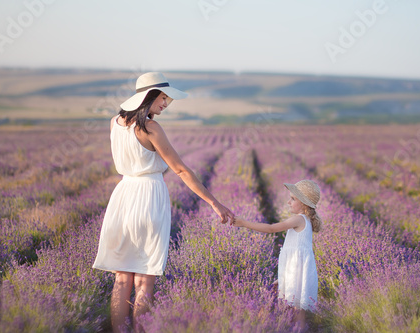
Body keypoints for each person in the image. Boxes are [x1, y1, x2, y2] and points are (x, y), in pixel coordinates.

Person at [92, 72, 234, 332]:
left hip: (122, 197)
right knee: (144, 281)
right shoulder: (150, 127)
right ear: (148, 96)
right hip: (149, 197)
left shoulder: (115, 122)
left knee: (121, 279)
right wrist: (214, 203)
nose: (166, 104)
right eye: (163, 97)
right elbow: (180, 170)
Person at [234, 180, 322, 327]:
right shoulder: (305, 220)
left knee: (291, 305)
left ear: (304, 204)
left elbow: (271, 228)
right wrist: (282, 279)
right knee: (297, 308)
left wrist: (244, 223)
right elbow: (296, 258)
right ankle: (297, 329)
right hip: (298, 271)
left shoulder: (298, 219)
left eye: (293, 199)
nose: (288, 202)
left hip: (295, 270)